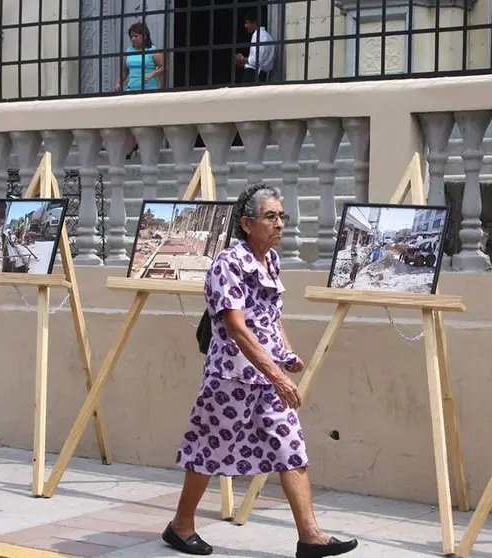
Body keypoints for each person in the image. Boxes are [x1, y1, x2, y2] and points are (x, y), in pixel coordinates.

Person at [162, 184, 358, 558]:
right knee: (207, 451)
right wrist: (280, 376)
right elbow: (237, 328)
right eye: (271, 216)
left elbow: (271, 317)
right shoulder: (228, 264)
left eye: (282, 216)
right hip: (230, 378)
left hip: (267, 380)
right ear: (247, 223)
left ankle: (310, 536)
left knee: (292, 449)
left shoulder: (271, 261)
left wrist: (286, 355)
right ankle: (180, 526)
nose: (280, 223)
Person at [116, 22, 164, 158]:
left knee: (146, 120)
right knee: (131, 120)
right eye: (131, 36)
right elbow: (124, 71)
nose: (133, 39)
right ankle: (131, 146)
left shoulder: (153, 51)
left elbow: (163, 67)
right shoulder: (129, 52)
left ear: (144, 36)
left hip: (149, 89)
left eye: (136, 36)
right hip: (132, 89)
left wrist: (152, 74)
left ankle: (148, 147)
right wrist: (119, 82)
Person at [234, 11, 275, 83]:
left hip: (254, 75)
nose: (245, 25)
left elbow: (257, 60)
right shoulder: (262, 35)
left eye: (247, 23)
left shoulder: (260, 36)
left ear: (255, 22)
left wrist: (243, 59)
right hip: (257, 74)